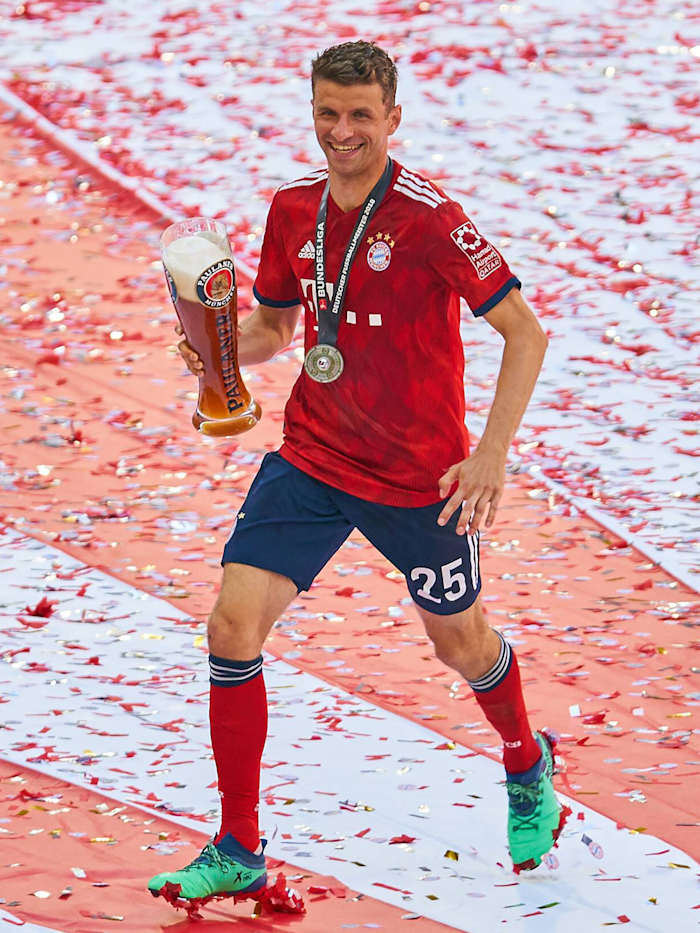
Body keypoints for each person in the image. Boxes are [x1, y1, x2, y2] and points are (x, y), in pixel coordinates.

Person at [148, 40, 564, 908]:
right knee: (232, 626)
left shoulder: (431, 219)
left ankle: (526, 759)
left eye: (361, 116)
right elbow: (275, 331)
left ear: (392, 119)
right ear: (313, 111)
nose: (343, 131)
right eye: (329, 113)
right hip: (314, 456)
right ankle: (239, 846)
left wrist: (489, 453)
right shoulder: (292, 209)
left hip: (419, 478)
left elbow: (525, 333)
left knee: (463, 646)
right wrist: (214, 349)